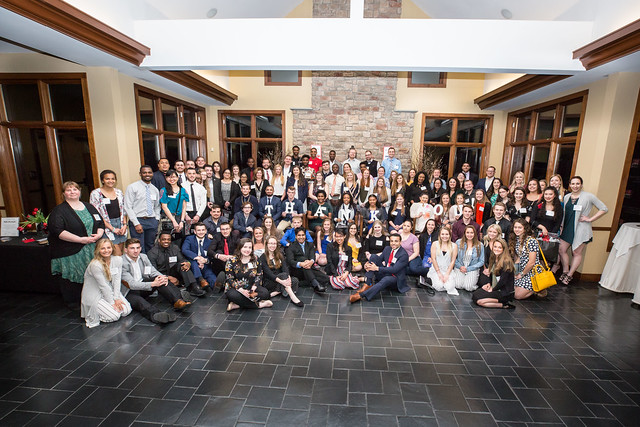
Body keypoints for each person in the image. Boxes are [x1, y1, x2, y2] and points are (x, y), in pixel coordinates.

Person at [49, 181, 105, 308]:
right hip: (70, 251)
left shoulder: (89, 206)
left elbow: (100, 223)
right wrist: (80, 240)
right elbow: (58, 231)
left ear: (79, 191)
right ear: (64, 194)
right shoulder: (59, 211)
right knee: (74, 277)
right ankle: (75, 303)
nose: (72, 192)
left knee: (92, 275)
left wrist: (99, 234)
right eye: (68, 190)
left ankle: (93, 299)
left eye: (75, 189)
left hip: (91, 248)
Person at [121, 237, 191, 323]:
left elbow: (152, 271)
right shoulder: (122, 262)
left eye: (138, 248)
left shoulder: (143, 257)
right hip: (129, 292)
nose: (136, 251)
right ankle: (155, 315)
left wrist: (163, 277)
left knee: (160, 279)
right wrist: (153, 284)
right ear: (126, 250)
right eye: (132, 248)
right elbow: (131, 284)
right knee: (140, 302)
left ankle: (178, 301)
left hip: (143, 285)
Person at [558, 176, 608, 285]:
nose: (575, 186)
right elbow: (565, 213)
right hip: (567, 227)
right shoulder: (567, 197)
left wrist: (590, 219)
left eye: (577, 183)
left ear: (581, 185)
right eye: (573, 184)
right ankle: (565, 271)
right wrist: (561, 226)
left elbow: (604, 208)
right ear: (570, 185)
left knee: (576, 252)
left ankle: (570, 275)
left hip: (581, 229)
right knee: (562, 249)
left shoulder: (588, 196)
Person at [80, 239, 131, 327]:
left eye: (108, 247)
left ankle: (107, 308)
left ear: (112, 248)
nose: (106, 250)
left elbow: (117, 280)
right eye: (102, 248)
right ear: (98, 250)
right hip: (95, 294)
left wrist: (117, 298)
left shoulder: (118, 260)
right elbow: (103, 286)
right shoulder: (95, 265)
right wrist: (112, 303)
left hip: (109, 290)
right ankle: (100, 313)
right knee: (115, 316)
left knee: (126, 311)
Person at [349, 234, 409, 303]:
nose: (393, 243)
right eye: (391, 241)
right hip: (385, 272)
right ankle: (368, 283)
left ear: (400, 242)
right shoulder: (387, 248)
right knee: (374, 256)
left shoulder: (403, 255)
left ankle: (361, 295)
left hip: (395, 278)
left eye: (396, 241)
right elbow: (379, 259)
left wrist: (377, 268)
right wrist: (368, 264)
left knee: (386, 279)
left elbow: (394, 269)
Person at [147, 231, 204, 297]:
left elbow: (182, 260)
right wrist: (168, 278)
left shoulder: (174, 248)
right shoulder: (152, 253)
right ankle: (179, 293)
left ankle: (193, 288)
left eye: (168, 239)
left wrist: (187, 263)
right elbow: (153, 271)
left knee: (183, 265)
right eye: (164, 239)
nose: (166, 241)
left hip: (173, 271)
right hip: (161, 275)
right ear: (159, 240)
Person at [224, 239, 272, 311]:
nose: (247, 250)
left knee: (265, 293)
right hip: (236, 289)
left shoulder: (256, 259)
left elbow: (259, 274)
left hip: (251, 287)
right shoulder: (231, 261)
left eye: (250, 247)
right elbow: (229, 278)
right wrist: (241, 290)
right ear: (240, 248)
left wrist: (254, 286)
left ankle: (237, 305)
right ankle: (259, 305)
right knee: (232, 295)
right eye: (245, 247)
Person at [90, 169, 127, 255]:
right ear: (102, 180)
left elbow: (123, 210)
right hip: (106, 226)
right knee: (116, 254)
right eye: (107, 179)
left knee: (120, 254)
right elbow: (97, 214)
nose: (111, 181)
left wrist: (125, 225)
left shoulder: (119, 192)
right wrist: (112, 228)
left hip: (120, 225)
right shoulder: (96, 194)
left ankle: (116, 269)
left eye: (113, 179)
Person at [125, 165, 160, 253]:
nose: (147, 174)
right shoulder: (132, 187)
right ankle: (140, 266)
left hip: (151, 221)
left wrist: (156, 219)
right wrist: (136, 223)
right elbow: (128, 207)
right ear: (140, 174)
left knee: (150, 246)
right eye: (144, 172)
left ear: (152, 174)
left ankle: (149, 265)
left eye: (149, 172)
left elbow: (157, 206)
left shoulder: (155, 189)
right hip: (138, 220)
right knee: (138, 247)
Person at [472, 237, 515, 309]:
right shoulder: (494, 258)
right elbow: (492, 274)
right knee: (475, 295)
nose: (496, 249)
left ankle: (504, 304)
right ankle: (496, 300)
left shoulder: (506, 262)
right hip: (495, 287)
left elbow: (503, 281)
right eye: (495, 246)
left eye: (499, 247)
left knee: (480, 301)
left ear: (504, 249)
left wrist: (493, 289)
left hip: (503, 291)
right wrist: (489, 284)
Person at [260, 237, 303, 307]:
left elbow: (285, 268)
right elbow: (269, 274)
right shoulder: (263, 257)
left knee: (295, 280)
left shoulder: (279, 255)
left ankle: (277, 292)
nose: (272, 245)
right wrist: (282, 281)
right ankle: (293, 297)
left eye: (274, 243)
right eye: (270, 243)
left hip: (282, 279)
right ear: (267, 245)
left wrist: (288, 277)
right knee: (283, 275)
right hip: (270, 281)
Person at [509, 218, 546, 299]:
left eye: (520, 227)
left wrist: (522, 274)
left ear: (525, 229)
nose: (517, 230)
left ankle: (538, 287)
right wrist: (515, 272)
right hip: (522, 270)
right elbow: (518, 258)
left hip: (532, 272)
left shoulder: (531, 241)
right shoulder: (517, 239)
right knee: (510, 290)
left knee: (517, 296)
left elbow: (532, 262)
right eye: (515, 227)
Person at [286, 227, 329, 294]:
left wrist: (311, 262)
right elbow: (290, 261)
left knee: (326, 279)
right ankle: (316, 285)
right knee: (303, 259)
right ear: (296, 236)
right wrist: (301, 264)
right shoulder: (291, 246)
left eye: (303, 235)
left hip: (309, 268)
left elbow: (313, 257)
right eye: (299, 235)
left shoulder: (310, 245)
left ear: (305, 236)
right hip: (297, 271)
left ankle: (303, 282)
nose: (301, 237)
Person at [182, 223, 216, 289]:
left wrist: (205, 261)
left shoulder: (210, 242)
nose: (201, 232)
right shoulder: (189, 239)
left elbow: (211, 255)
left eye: (203, 230)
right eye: (199, 230)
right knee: (194, 262)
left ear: (206, 231)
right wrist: (198, 258)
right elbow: (184, 250)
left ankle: (212, 285)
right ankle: (200, 280)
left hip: (205, 265)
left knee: (213, 281)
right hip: (192, 264)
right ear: (195, 231)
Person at [452, 225, 485, 292]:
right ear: (465, 233)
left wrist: (469, 268)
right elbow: (453, 257)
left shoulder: (480, 245)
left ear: (475, 234)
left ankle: (472, 282)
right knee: (458, 285)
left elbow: (481, 261)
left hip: (472, 267)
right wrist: (460, 266)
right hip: (460, 267)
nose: (469, 235)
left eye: (471, 233)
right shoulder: (458, 242)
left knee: (468, 287)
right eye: (468, 232)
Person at [427, 227, 458, 295]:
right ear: (440, 235)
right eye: (442, 234)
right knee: (439, 286)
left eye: (447, 234)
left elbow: (453, 261)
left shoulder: (454, 246)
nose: (444, 236)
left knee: (449, 287)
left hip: (447, 270)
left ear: (450, 235)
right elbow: (433, 259)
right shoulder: (435, 244)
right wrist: (439, 273)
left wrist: (447, 274)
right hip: (436, 269)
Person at [159, 170, 189, 239]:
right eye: (169, 177)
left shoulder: (183, 190)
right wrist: (174, 221)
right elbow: (164, 207)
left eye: (173, 177)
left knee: (179, 239)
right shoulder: (163, 190)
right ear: (166, 179)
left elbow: (184, 207)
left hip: (179, 218)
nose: (172, 179)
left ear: (178, 178)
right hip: (168, 218)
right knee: (166, 239)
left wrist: (182, 221)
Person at [208, 222, 239, 287]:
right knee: (219, 251)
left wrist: (233, 257)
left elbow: (240, 249)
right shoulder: (217, 236)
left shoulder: (235, 236)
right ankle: (224, 281)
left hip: (233, 261)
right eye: (223, 229)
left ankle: (225, 282)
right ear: (220, 230)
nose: (225, 231)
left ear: (230, 229)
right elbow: (210, 251)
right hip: (220, 264)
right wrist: (219, 256)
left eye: (227, 229)